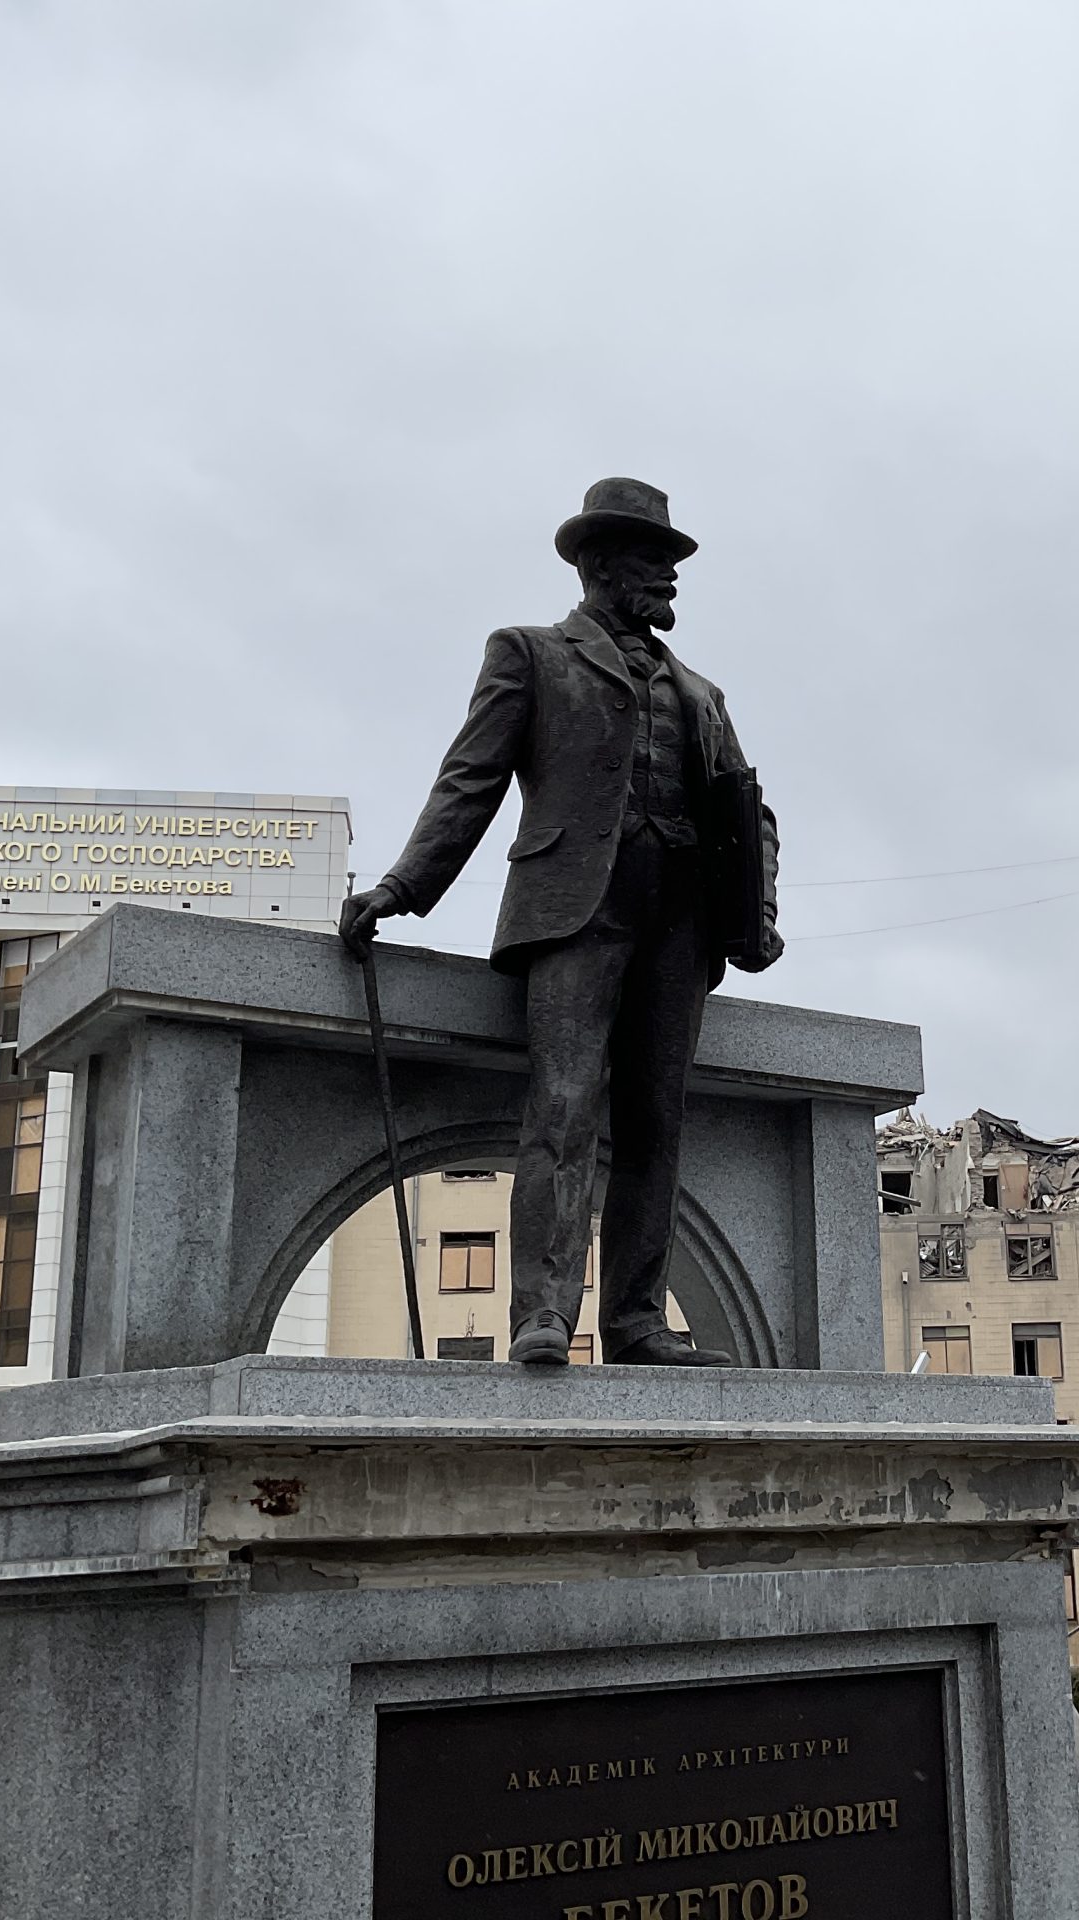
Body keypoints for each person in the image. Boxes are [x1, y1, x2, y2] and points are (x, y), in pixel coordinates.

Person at [339, 478, 781, 1367]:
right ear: (599, 565)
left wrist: (755, 914)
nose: (670, 578)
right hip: (577, 909)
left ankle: (636, 1321)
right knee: (565, 1106)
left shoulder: (702, 692)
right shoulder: (531, 654)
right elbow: (471, 778)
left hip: (680, 923)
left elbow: (751, 808)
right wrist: (403, 884)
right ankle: (543, 1311)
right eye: (654, 560)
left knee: (657, 1125)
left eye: (671, 563)